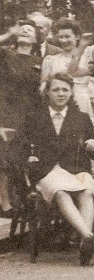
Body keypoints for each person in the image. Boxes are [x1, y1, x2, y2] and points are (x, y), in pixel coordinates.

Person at [20, 73, 94, 265]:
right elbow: (21, 147)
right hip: (47, 171)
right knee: (60, 192)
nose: (60, 94)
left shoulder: (81, 118)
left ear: (71, 93)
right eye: (56, 89)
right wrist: (29, 157)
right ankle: (88, 236)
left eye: (65, 90)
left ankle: (86, 241)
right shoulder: (35, 116)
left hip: (75, 171)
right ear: (47, 92)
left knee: (86, 191)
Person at [0, 21, 45, 216]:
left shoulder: (40, 62)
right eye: (23, 29)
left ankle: (22, 198)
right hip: (8, 111)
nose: (26, 31)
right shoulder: (6, 55)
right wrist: (9, 33)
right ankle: (4, 202)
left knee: (24, 157)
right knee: (5, 156)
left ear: (36, 39)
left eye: (30, 31)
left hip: (31, 114)